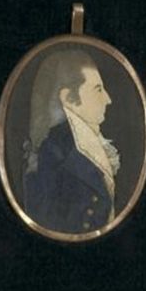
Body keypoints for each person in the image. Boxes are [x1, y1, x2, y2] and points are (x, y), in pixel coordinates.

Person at [23, 49, 120, 233]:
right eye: (98, 90)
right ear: (67, 98)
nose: (108, 99)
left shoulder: (90, 144)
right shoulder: (54, 152)